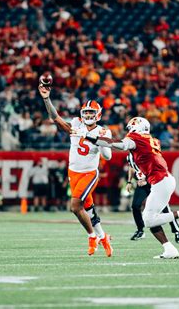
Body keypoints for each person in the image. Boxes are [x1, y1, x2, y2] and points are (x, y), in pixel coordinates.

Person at [76, 116, 179, 259]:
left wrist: (89, 136)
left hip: (160, 181)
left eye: (131, 128)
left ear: (137, 128)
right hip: (161, 180)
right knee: (151, 218)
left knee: (148, 219)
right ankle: (169, 249)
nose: (129, 132)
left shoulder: (138, 138)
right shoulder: (152, 140)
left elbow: (118, 144)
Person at [38, 82, 113, 257]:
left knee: (75, 206)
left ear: (98, 115)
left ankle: (92, 236)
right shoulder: (75, 124)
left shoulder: (103, 132)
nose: (88, 115)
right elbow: (55, 118)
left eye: (91, 112)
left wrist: (95, 138)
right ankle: (103, 237)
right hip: (73, 172)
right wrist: (46, 99)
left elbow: (108, 156)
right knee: (88, 209)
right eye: (85, 112)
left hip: (89, 173)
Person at [126, 153, 179, 243]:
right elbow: (131, 167)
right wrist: (129, 181)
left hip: (154, 181)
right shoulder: (130, 155)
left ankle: (177, 230)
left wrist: (146, 179)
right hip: (142, 183)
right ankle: (140, 230)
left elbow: (157, 167)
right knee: (135, 206)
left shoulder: (147, 152)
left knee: (165, 208)